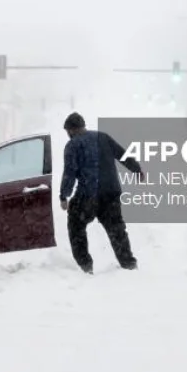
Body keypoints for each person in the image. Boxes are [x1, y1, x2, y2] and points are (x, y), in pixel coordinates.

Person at [58, 112, 143, 274]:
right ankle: (129, 264)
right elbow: (122, 154)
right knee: (116, 229)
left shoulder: (72, 146)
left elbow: (70, 172)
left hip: (87, 196)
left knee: (76, 226)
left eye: (68, 131)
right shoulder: (103, 137)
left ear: (71, 130)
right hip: (111, 193)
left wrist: (64, 196)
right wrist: (136, 169)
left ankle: (85, 266)